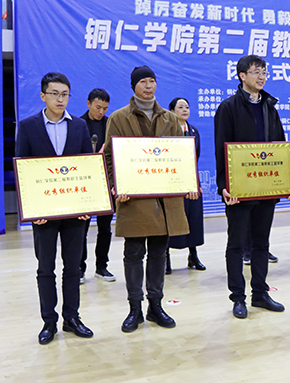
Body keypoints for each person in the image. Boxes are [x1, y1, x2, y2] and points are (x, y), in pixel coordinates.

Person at [103, 65, 198, 333]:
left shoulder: (169, 118)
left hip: (165, 197)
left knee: (158, 252)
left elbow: (182, 155)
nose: (148, 86)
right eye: (143, 81)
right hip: (133, 197)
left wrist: (189, 182)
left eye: (152, 81)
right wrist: (116, 185)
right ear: (133, 86)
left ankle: (155, 306)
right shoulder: (119, 117)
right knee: (133, 253)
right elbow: (109, 157)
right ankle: (134, 309)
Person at [214, 55, 290, 319]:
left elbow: (280, 147)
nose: (261, 77)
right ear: (242, 76)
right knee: (236, 245)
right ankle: (238, 297)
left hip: (266, 187)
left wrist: (287, 180)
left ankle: (260, 293)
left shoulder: (270, 107)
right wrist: (224, 185)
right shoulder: (228, 107)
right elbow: (221, 150)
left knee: (261, 244)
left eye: (264, 72)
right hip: (239, 190)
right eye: (256, 72)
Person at [15, 72, 94, 345]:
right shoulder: (28, 126)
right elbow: (23, 169)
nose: (60, 99)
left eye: (64, 94)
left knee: (73, 267)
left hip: (75, 212)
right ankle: (49, 321)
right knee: (45, 268)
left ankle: (71, 318)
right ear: (43, 96)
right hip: (44, 213)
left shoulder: (80, 126)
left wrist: (88, 204)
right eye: (54, 94)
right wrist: (32, 210)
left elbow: (87, 166)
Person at [165, 97, 206, 273]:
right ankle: (165, 258)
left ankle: (193, 256)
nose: (185, 110)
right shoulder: (166, 130)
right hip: (172, 181)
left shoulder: (194, 130)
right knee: (171, 220)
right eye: (180, 107)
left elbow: (195, 158)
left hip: (191, 181)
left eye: (187, 107)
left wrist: (195, 182)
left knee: (193, 218)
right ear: (171, 111)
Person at [79, 88, 115, 283]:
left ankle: (102, 267)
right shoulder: (78, 124)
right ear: (88, 104)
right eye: (98, 107)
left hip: (105, 184)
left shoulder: (111, 124)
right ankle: (79, 268)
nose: (101, 112)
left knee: (105, 228)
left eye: (105, 108)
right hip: (84, 184)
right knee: (81, 229)